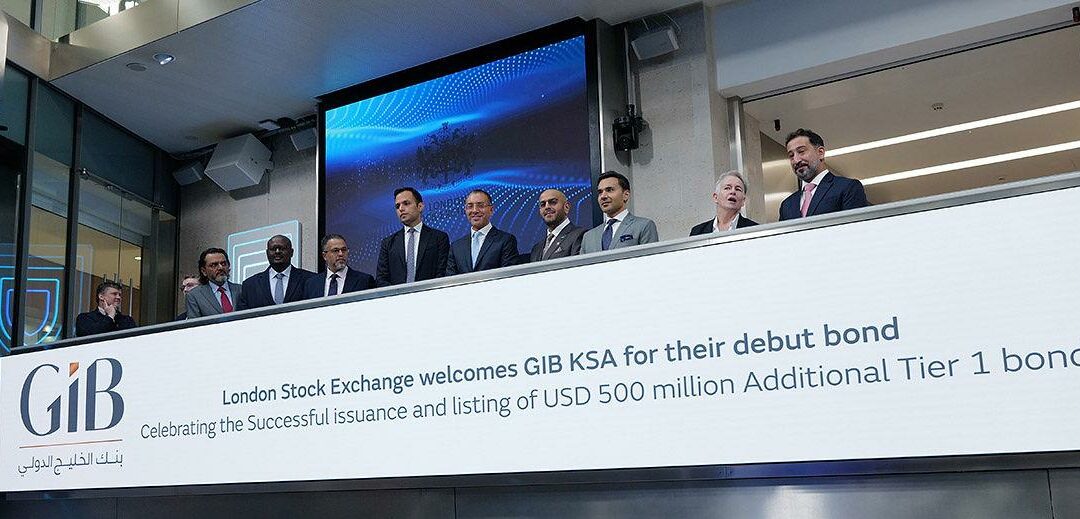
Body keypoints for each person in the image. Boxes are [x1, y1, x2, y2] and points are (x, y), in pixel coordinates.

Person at [778, 128, 869, 221]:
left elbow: (856, 227)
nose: (796, 160)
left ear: (820, 153)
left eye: (801, 151)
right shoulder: (787, 205)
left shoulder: (848, 187)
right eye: (791, 156)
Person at [375, 187, 450, 286]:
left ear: (420, 206)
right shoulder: (388, 243)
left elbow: (442, 274)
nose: (401, 209)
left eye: (406, 203)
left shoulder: (439, 238)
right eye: (397, 206)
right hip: (397, 295)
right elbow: (381, 279)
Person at [581, 171, 658, 253]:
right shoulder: (588, 237)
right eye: (600, 192)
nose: (603, 196)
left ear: (626, 195)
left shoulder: (643, 226)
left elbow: (651, 259)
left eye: (609, 190)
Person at [446, 189, 519, 275]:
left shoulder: (506, 240)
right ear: (465, 210)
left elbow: (509, 276)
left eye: (480, 205)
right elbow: (451, 279)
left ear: (491, 210)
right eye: (470, 206)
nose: (475, 210)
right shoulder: (456, 247)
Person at [236, 235, 315, 310]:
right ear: (267, 253)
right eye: (273, 249)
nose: (277, 252)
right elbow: (242, 316)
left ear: (291, 252)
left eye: (282, 248)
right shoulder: (250, 285)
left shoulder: (309, 279)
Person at [303, 234, 374, 298]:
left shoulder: (364, 281)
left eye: (344, 250)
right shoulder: (311, 284)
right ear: (324, 256)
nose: (341, 254)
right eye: (335, 250)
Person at [690, 171, 759, 235]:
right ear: (715, 197)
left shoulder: (754, 230)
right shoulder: (697, 232)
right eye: (727, 188)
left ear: (743, 201)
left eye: (738, 189)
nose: (733, 192)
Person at [185, 247, 243, 318]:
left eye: (223, 263)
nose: (220, 268)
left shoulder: (241, 289)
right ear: (204, 271)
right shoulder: (195, 296)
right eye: (214, 265)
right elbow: (194, 323)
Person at [529, 188, 585, 261]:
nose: (547, 207)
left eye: (553, 202)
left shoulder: (580, 235)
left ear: (566, 207)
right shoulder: (536, 249)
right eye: (543, 204)